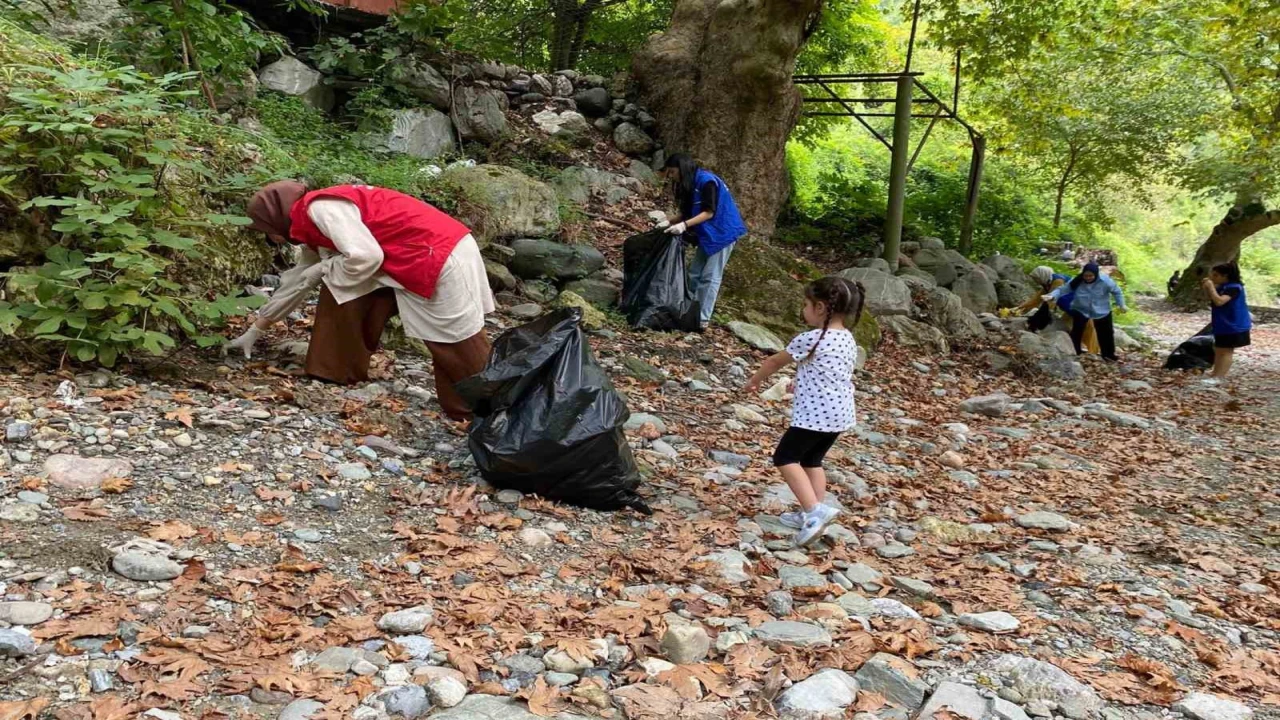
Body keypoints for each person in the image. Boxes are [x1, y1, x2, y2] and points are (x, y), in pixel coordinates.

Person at [224, 181, 495, 421]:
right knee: (339, 283)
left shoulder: (321, 209)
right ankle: (335, 368)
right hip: (404, 258)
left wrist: (322, 269)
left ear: (275, 218)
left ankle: (495, 404)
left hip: (439, 255)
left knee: (454, 341)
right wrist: (256, 329)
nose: (270, 238)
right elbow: (296, 283)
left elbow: (365, 257)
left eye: (267, 230)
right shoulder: (310, 229)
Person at [745, 277, 863, 547]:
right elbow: (830, 372)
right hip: (840, 414)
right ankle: (813, 510)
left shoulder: (811, 338)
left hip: (814, 415)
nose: (803, 309)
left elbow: (775, 360)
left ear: (820, 307)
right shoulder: (847, 338)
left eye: (806, 304)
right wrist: (799, 384)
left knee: (785, 457)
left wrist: (755, 381)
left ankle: (813, 512)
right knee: (812, 461)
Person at [654, 153, 748, 329]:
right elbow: (688, 212)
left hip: (723, 233)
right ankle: (689, 311)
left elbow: (708, 212)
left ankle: (702, 319)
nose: (672, 177)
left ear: (682, 168)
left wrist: (683, 226)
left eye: (673, 172)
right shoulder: (690, 185)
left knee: (710, 276)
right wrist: (669, 222)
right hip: (707, 234)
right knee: (694, 273)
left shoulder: (707, 182)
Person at [1045, 262, 1127, 361]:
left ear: (1096, 274)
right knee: (1077, 331)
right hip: (1081, 308)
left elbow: (1117, 292)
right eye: (1086, 276)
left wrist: (1121, 304)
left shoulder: (1105, 281)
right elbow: (1062, 290)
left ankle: (1108, 355)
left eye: (1090, 276)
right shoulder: (1077, 281)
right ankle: (1075, 352)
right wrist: (1052, 295)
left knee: (1106, 333)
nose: (1088, 278)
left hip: (1101, 310)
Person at [1009, 266, 1100, 353]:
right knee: (1066, 330)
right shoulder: (1048, 284)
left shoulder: (1058, 281)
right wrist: (1018, 308)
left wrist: (1035, 320)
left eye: (1036, 278)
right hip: (1070, 310)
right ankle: (1075, 349)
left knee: (1088, 332)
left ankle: (1094, 353)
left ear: (1042, 275)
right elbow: (1035, 300)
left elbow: (1050, 302)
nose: (1036, 281)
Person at [1201, 262, 1251, 378]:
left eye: (1216, 275)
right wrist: (1207, 288)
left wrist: (1211, 287)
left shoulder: (1234, 287)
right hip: (1222, 324)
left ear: (1225, 276)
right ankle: (1215, 374)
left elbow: (1219, 301)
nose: (1212, 278)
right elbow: (1210, 298)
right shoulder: (1223, 287)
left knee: (1226, 351)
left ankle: (1219, 377)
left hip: (1234, 325)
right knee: (1218, 349)